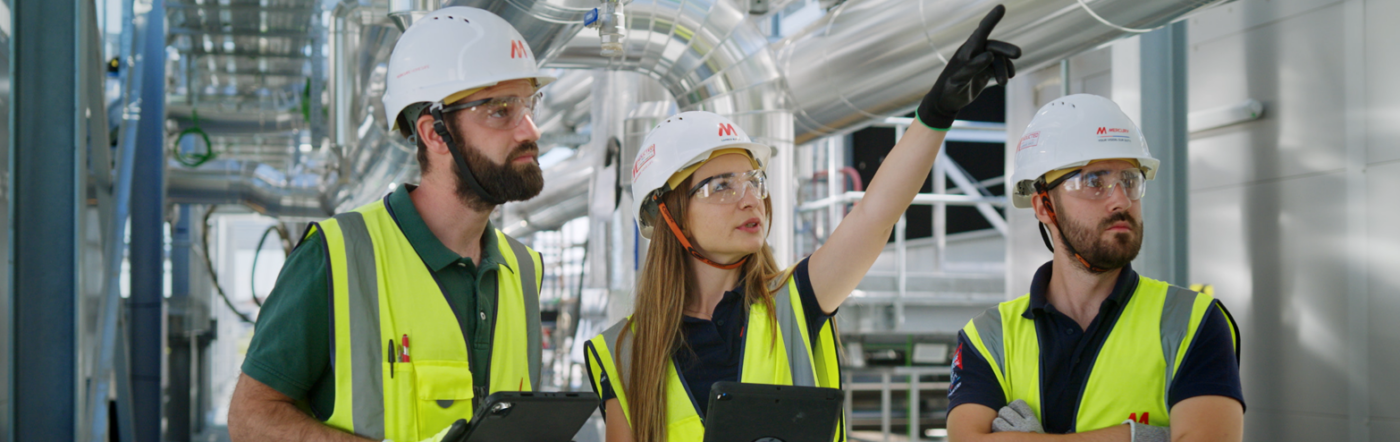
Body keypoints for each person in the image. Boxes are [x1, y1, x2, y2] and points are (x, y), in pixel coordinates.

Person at [582, 6, 1021, 442]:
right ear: (669, 214)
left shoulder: (796, 302)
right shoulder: (622, 351)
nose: (750, 198)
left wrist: (936, 111)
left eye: (753, 181)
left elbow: (876, 212)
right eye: (721, 186)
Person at [228, 7, 551, 442]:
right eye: (500, 110)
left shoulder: (525, 270)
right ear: (435, 134)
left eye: (529, 103)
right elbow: (250, 419)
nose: (529, 129)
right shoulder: (338, 257)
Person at [946, 94, 1244, 442]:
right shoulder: (989, 338)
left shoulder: (1191, 322)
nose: (1121, 199)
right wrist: (1136, 437)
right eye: (1093, 181)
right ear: (1044, 206)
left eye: (1130, 180)